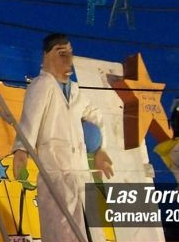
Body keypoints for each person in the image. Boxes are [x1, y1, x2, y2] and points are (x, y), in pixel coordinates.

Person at [12, 33, 113, 242]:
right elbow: (30, 120)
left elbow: (95, 114)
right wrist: (21, 150)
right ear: (47, 56)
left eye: (70, 52)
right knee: (64, 231)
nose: (68, 58)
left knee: (92, 233)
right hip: (56, 173)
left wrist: (101, 149)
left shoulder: (75, 90)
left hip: (81, 173)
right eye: (61, 53)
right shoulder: (42, 85)